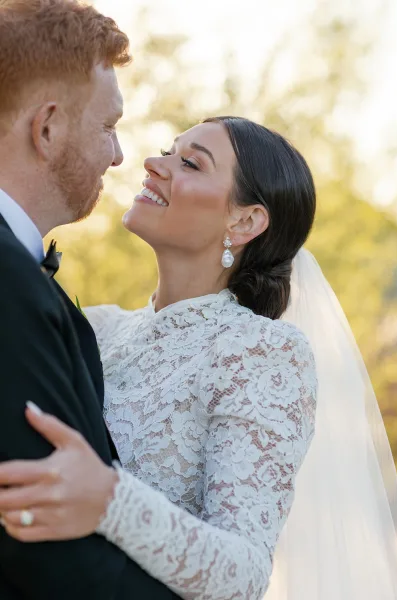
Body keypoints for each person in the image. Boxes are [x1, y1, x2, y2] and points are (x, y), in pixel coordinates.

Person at [1, 115, 397, 600]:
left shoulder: (264, 354)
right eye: (169, 151)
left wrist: (109, 499)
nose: (152, 164)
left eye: (189, 163)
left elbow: (244, 572)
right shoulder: (97, 328)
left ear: (246, 221)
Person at [0, 1, 180, 598]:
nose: (121, 156)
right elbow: (42, 544)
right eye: (108, 127)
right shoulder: (8, 282)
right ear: (46, 128)